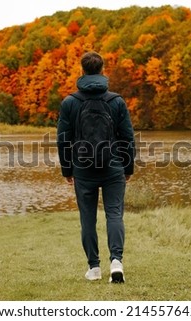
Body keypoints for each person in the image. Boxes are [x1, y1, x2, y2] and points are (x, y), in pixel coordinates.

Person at [57, 51, 135, 283]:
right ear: (102, 70)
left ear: (82, 71)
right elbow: (128, 138)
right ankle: (116, 262)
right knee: (114, 214)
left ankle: (94, 268)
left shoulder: (70, 102)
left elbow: (63, 139)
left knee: (88, 218)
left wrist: (66, 169)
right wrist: (128, 167)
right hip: (113, 167)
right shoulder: (116, 101)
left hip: (82, 168)